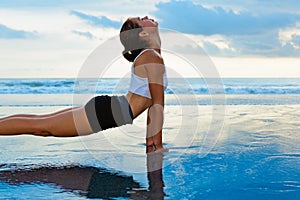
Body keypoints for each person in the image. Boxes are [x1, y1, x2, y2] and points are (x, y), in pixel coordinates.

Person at [0, 16, 168, 153]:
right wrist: (156, 146)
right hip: (109, 111)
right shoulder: (151, 57)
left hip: (110, 109)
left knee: (40, 122)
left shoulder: (152, 55)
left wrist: (151, 143)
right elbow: (157, 104)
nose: (146, 16)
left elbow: (154, 104)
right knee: (42, 127)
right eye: (141, 19)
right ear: (143, 34)